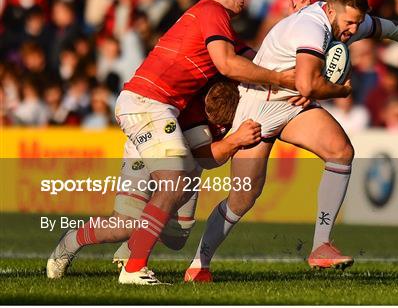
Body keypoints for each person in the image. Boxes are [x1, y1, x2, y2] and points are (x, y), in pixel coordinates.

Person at [184, 0, 398, 282]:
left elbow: (397, 30)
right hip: (257, 111)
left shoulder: (345, 21)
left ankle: (320, 246)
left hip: (290, 107)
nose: (353, 29)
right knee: (243, 198)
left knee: (341, 151)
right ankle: (199, 264)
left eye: (357, 22)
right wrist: (341, 90)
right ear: (329, 10)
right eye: (349, 22)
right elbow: (307, 86)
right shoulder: (312, 28)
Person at [111, 0, 296, 285]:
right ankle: (133, 264)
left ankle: (130, 251)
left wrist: (290, 25)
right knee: (173, 182)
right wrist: (283, 80)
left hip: (160, 107)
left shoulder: (216, 23)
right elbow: (229, 65)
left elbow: (253, 58)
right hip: (149, 102)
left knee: (176, 206)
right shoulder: (212, 11)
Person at [46, 85, 262, 279]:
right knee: (124, 225)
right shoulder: (194, 108)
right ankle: (71, 241)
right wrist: (235, 140)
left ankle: (133, 245)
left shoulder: (243, 95)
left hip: (187, 163)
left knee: (177, 238)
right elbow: (207, 157)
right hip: (149, 146)